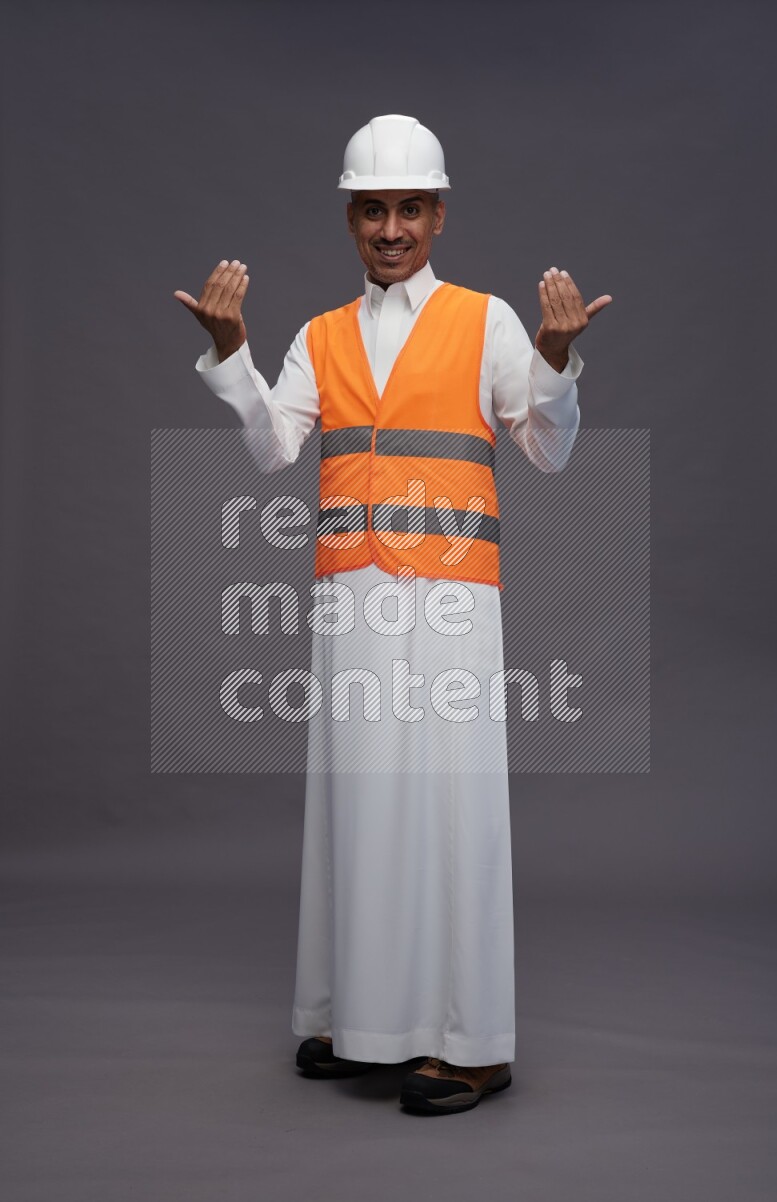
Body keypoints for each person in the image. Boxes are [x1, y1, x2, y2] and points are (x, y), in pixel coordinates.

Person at [175, 114, 612, 1116]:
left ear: (437, 214)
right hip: (349, 595)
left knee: (451, 807)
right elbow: (272, 447)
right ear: (349, 216)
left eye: (408, 206)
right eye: (371, 207)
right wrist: (232, 355)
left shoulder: (486, 319)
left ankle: (472, 1041)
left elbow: (545, 449)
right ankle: (355, 1018)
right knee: (356, 802)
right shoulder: (319, 334)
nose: (389, 226)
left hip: (450, 601)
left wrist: (551, 363)